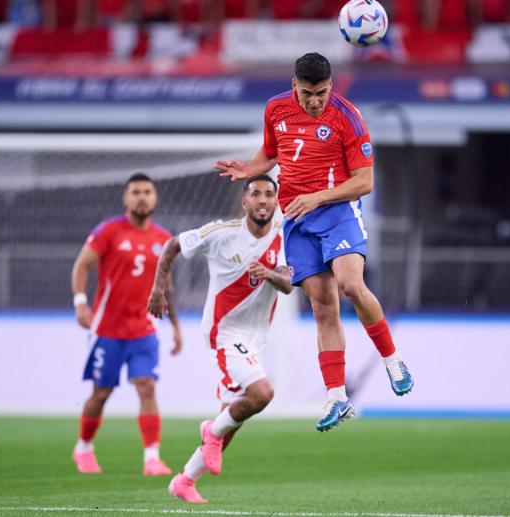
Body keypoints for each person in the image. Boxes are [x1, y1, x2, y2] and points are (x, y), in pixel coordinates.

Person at [216, 52, 413, 432]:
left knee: (351, 286)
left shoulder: (348, 117)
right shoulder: (275, 109)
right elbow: (271, 153)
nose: (315, 101)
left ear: (331, 85)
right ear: (294, 86)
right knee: (323, 307)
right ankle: (337, 396)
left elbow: (364, 181)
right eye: (308, 93)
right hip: (296, 221)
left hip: (336, 211)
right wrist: (249, 168)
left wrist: (319, 197)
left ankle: (393, 360)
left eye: (322, 93)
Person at [148, 175, 292, 503]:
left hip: (256, 338)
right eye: (256, 194)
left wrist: (268, 274)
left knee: (231, 421)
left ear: (275, 201)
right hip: (224, 332)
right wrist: (158, 287)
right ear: (245, 202)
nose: (263, 200)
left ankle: (184, 480)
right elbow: (172, 244)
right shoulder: (222, 234)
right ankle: (209, 431)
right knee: (262, 393)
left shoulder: (284, 237)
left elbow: (287, 282)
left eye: (269, 194)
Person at [71, 172, 181, 475]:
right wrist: (81, 303)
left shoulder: (162, 239)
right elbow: (82, 265)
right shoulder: (109, 231)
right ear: (126, 198)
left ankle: (152, 457)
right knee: (101, 393)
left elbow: (166, 288)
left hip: (144, 330)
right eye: (136, 192)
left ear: (155, 197)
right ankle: (83, 447)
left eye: (147, 191)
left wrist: (175, 326)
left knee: (147, 387)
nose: (142, 197)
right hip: (107, 330)